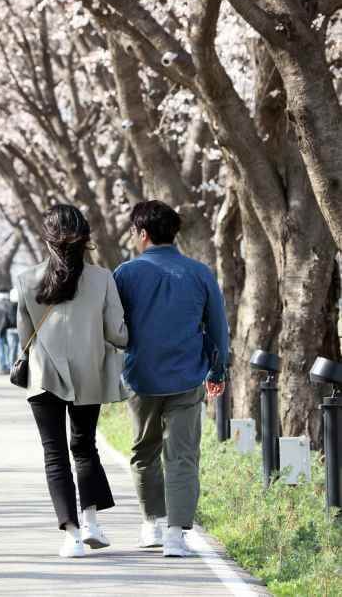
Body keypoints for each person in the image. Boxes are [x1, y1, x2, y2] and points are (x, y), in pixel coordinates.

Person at [113, 200, 228, 558]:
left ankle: (152, 524)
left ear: (142, 234)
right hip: (187, 377)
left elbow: (114, 327)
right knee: (182, 455)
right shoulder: (199, 272)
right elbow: (218, 328)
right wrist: (218, 370)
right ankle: (176, 536)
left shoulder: (125, 274)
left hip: (140, 377)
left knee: (143, 451)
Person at [15, 204, 128, 558]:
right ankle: (91, 521)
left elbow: (24, 337)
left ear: (47, 238)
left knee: (55, 454)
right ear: (84, 237)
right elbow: (118, 334)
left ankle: (72, 536)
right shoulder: (102, 278)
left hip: (43, 375)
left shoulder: (27, 279)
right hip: (87, 373)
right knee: (84, 446)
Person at [6, 288, 20, 369]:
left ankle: (12, 367)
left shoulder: (8, 306)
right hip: (19, 328)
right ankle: (19, 366)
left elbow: (6, 318)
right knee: (20, 348)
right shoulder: (21, 305)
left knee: (12, 348)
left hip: (10, 329)